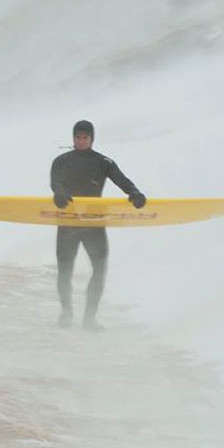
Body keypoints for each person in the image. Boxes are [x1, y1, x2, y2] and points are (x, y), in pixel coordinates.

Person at [50, 121, 145, 331]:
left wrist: (134, 193)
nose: (81, 141)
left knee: (99, 270)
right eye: (78, 137)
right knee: (65, 270)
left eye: (85, 137)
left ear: (92, 138)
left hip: (94, 222)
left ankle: (89, 319)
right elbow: (55, 182)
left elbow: (122, 180)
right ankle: (66, 313)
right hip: (68, 221)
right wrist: (59, 192)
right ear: (73, 138)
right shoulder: (61, 161)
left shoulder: (103, 162)